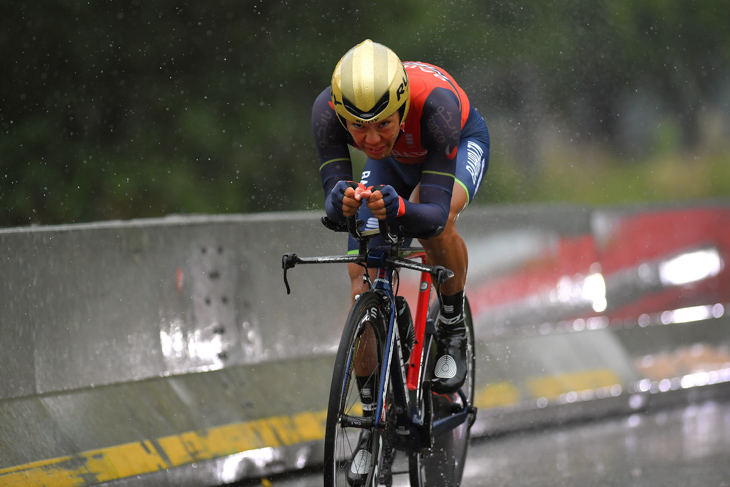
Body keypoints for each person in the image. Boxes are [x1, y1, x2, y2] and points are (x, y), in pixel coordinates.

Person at [312, 39, 489, 485]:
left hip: (452, 145)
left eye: (382, 125)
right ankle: (372, 421)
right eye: (357, 129)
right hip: (393, 165)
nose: (369, 139)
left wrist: (402, 211)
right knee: (361, 271)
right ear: (340, 114)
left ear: (402, 104)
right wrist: (342, 201)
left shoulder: (439, 109)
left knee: (441, 220)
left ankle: (450, 322)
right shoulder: (325, 112)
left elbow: (427, 215)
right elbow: (336, 210)